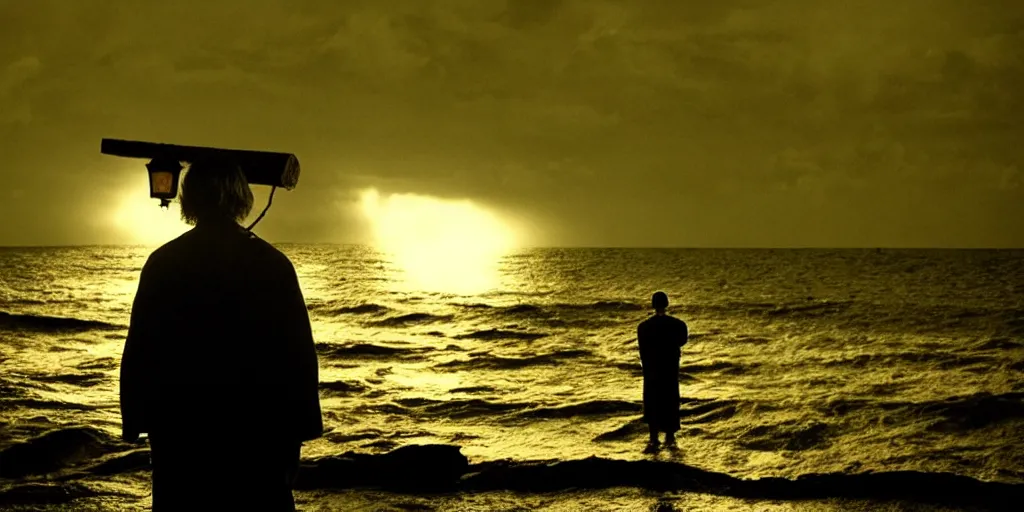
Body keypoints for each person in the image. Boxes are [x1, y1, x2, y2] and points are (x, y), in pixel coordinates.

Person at [119, 159, 323, 511]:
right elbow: (297, 356)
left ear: (189, 198)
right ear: (240, 198)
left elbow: (141, 350)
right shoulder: (271, 263)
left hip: (183, 432)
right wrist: (299, 431)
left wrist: (135, 420)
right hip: (257, 433)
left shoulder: (163, 262)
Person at [637, 291, 688, 451]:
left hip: (652, 370)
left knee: (652, 401)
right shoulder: (678, 325)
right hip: (670, 369)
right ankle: (670, 437)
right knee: (670, 400)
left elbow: (642, 350)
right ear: (666, 304)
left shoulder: (644, 327)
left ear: (653, 305)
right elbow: (682, 341)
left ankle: (653, 439)